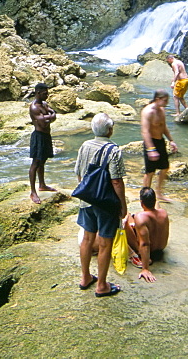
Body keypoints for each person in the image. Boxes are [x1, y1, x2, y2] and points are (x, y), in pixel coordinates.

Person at [75, 112, 127, 297]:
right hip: (106, 203)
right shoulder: (114, 150)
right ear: (110, 130)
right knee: (105, 243)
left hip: (86, 199)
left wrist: (87, 194)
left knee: (87, 239)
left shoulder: (84, 146)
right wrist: (123, 205)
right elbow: (116, 182)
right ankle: (102, 286)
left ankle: (85, 277)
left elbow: (79, 174)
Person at [123, 186, 169, 283]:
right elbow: (156, 209)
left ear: (141, 203)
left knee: (124, 221)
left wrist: (145, 268)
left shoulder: (140, 216)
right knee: (130, 216)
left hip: (148, 251)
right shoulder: (163, 212)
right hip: (161, 249)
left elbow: (145, 244)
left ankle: (135, 255)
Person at [140, 90, 178, 203]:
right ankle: (145, 198)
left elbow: (163, 127)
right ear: (157, 99)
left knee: (165, 167)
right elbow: (145, 132)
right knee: (149, 172)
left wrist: (171, 140)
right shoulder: (147, 112)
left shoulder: (162, 110)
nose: (167, 102)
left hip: (160, 141)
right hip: (150, 143)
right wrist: (151, 149)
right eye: (165, 100)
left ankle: (159, 193)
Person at [28, 82, 57, 204]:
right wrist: (51, 116)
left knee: (43, 160)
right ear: (38, 93)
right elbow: (43, 122)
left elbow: (52, 115)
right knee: (35, 163)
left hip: (46, 136)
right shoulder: (34, 107)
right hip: (38, 136)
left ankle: (42, 184)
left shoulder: (44, 104)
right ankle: (33, 192)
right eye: (45, 93)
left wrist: (50, 116)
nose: (47, 95)